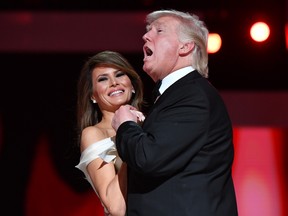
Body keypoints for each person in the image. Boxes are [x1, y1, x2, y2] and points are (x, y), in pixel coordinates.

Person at [112, 9, 238, 215]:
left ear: (185, 46)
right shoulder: (177, 95)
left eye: (159, 31)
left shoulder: (193, 95)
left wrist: (125, 125)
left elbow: (148, 157)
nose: (146, 35)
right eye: (147, 30)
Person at [75, 50, 145, 216]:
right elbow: (116, 208)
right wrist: (130, 139)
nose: (114, 83)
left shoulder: (153, 124)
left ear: (132, 85)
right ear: (93, 95)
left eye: (120, 74)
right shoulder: (94, 134)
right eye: (103, 79)